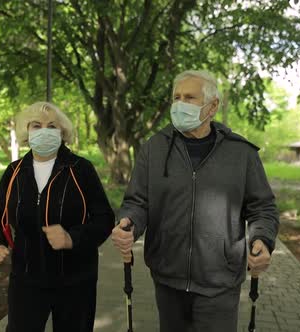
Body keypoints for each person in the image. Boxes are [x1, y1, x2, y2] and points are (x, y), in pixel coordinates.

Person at [111, 70, 279, 332]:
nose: (179, 104)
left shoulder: (241, 153)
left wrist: (263, 240)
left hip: (220, 281)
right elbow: (138, 201)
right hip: (167, 277)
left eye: (189, 97)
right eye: (176, 97)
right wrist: (129, 223)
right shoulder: (154, 148)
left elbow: (262, 208)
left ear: (212, 107)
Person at [0, 101, 115, 332]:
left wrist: (72, 237)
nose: (44, 131)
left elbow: (104, 218)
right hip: (26, 279)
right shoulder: (14, 172)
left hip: (75, 280)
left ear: (62, 133)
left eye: (52, 126)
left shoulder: (81, 169)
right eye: (36, 126)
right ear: (27, 133)